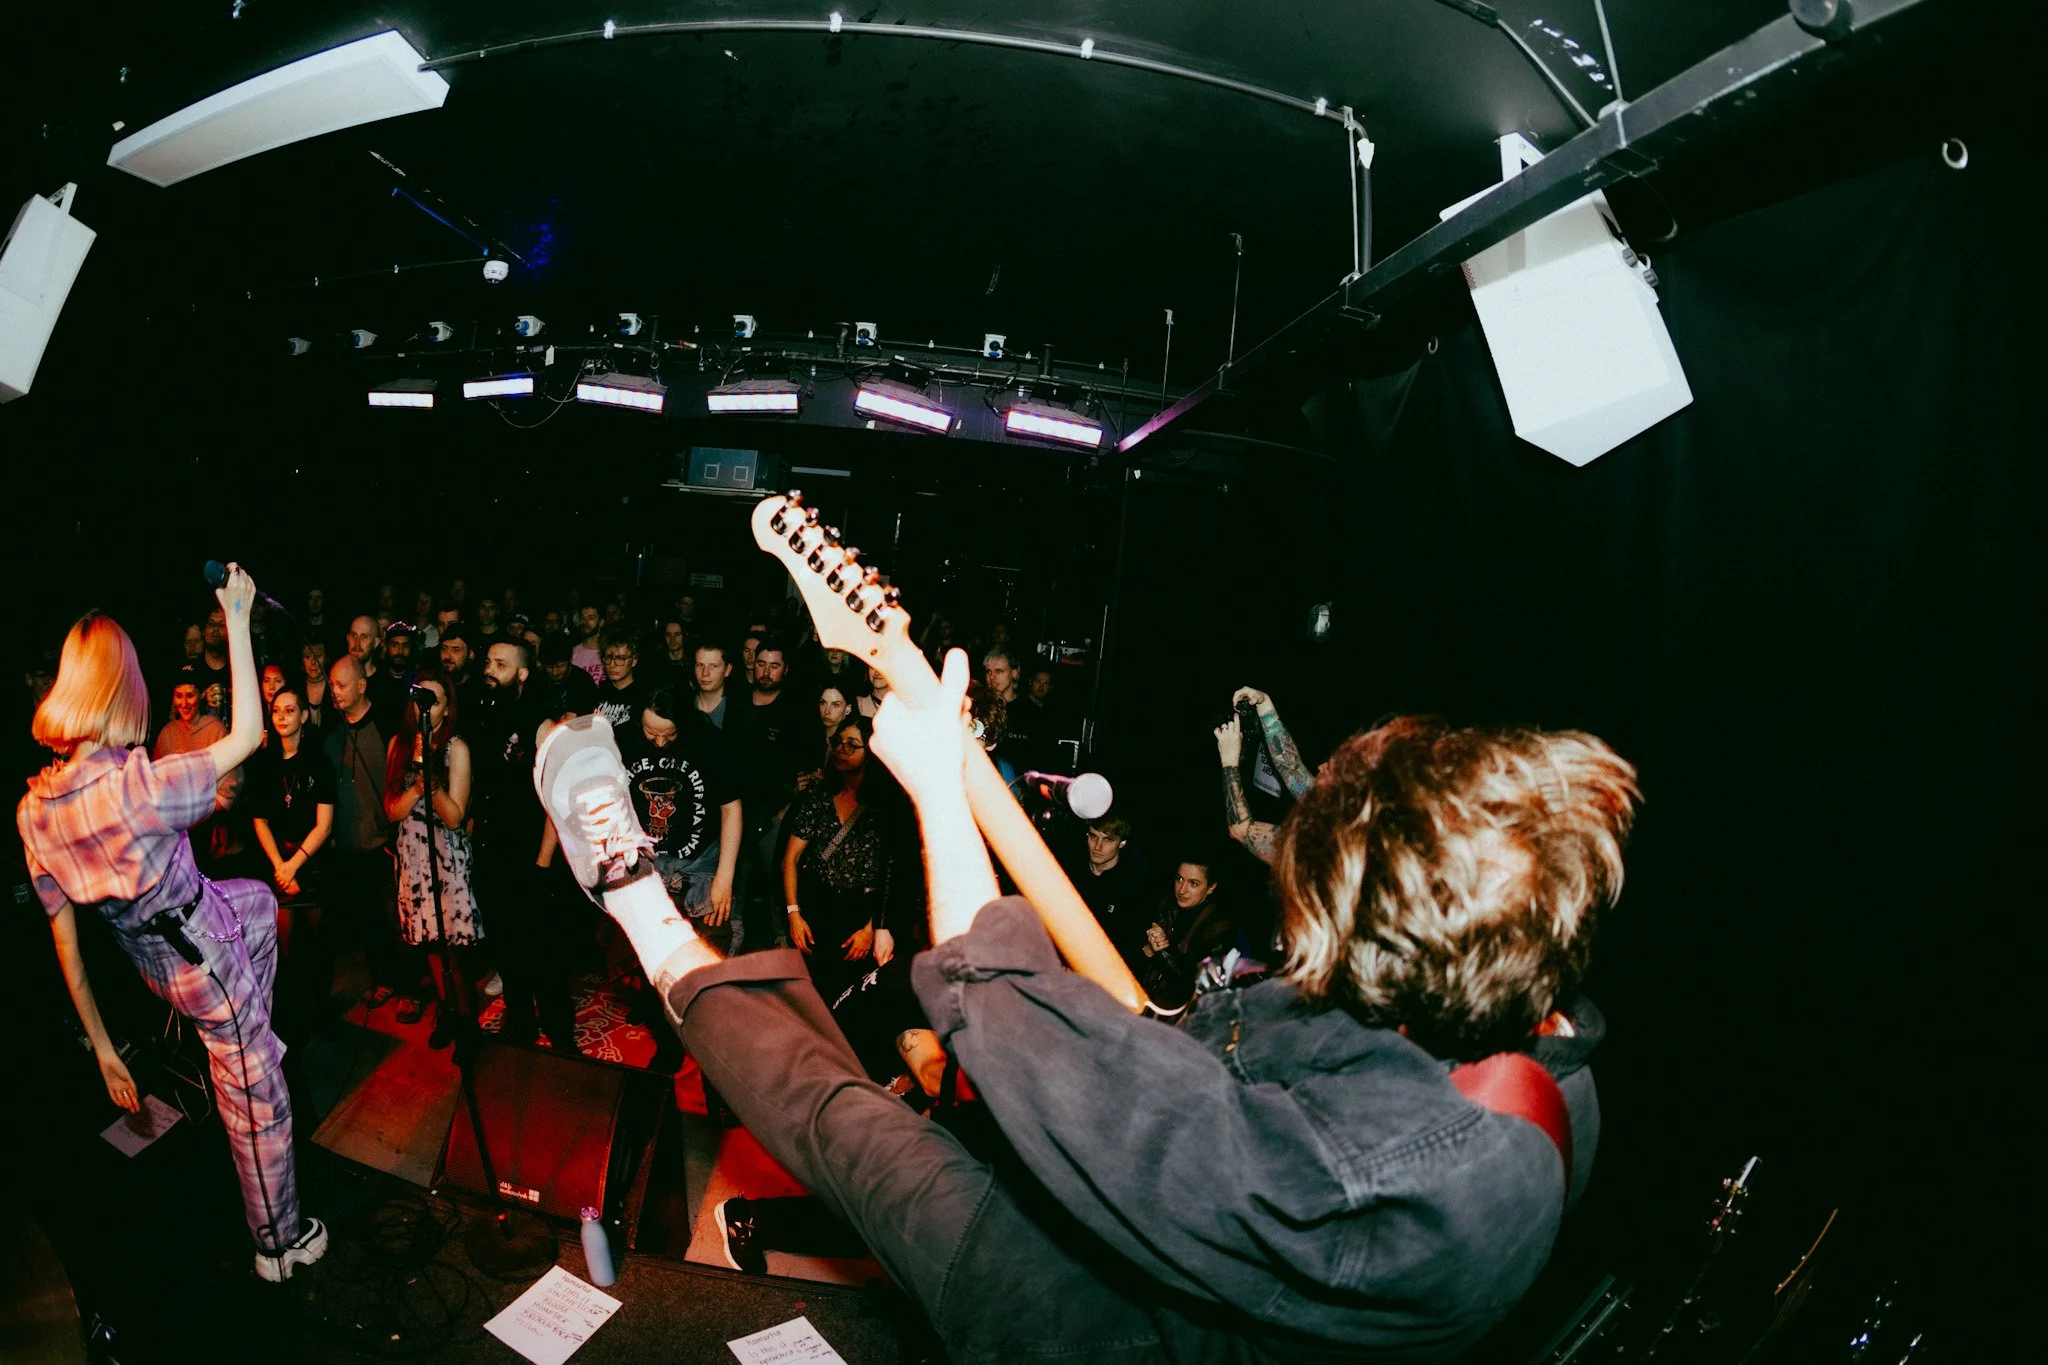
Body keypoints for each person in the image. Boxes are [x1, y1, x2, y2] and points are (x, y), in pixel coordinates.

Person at [534, 652, 1636, 1360]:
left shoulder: (1358, 1182)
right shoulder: (1530, 1013)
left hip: (1098, 1329)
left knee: (852, 1131)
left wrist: (933, 789)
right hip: (1201, 1209)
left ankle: (630, 893)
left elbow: (993, 989)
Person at [17, 576, 328, 1282]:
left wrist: (102, 1048)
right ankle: (277, 1244)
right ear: (123, 691)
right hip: (202, 956)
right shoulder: (139, 786)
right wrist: (238, 619)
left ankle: (241, 1057)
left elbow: (67, 944)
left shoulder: (35, 811)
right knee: (263, 1096)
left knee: (254, 902)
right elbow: (249, 735)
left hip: (155, 956)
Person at [472, 639, 577, 1051]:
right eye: (488, 661)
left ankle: (560, 1032)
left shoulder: (541, 722)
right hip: (490, 854)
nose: (490, 668)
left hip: (532, 857)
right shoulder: (482, 713)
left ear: (522, 673)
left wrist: (542, 863)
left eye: (501, 663)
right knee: (505, 946)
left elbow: (558, 800)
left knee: (543, 952)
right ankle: (520, 1023)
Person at [780, 715, 905, 1033]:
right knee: (809, 995)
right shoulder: (819, 796)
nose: (842, 750)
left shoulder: (885, 806)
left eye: (853, 745)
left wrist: (871, 928)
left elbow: (890, 872)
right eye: (839, 742)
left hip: (859, 914)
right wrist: (794, 914)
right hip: (815, 908)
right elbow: (790, 859)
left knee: (848, 1002)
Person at [383, 670, 477, 1049]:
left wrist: (431, 784)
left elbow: (455, 816)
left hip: (446, 854)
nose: (426, 707)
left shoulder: (457, 748)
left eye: (434, 700)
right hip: (413, 853)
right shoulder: (399, 744)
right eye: (421, 698)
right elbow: (391, 810)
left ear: (446, 708)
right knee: (431, 947)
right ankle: (449, 1011)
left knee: (451, 949)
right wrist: (417, 788)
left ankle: (467, 1024)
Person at [248, 687, 338, 1057]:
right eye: (276, 711)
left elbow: (325, 825)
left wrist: (294, 865)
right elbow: (260, 820)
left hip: (312, 865)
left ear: (304, 716)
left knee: (319, 949)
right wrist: (280, 868)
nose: (282, 717)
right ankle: (294, 1021)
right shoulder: (264, 764)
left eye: (290, 710)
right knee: (285, 952)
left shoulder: (319, 762)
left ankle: (322, 1013)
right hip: (280, 868)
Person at [322, 654, 403, 1008]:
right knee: (365, 918)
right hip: (346, 846)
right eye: (331, 685)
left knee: (392, 920)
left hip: (382, 844)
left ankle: (407, 986)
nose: (334, 692)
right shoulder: (331, 732)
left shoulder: (386, 727)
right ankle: (381, 977)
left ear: (361, 686)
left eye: (341, 685)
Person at [1214, 686, 1314, 863]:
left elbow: (1241, 829)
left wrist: (1229, 761)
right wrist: (1264, 704)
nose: (1321, 768)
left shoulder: (1318, 850)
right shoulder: (1345, 818)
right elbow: (1291, 767)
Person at [539, 633, 599, 716]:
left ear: (570, 660)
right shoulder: (537, 680)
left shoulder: (583, 681)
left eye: (560, 666)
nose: (554, 672)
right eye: (549, 667)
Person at [692, 641, 734, 728]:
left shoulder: (742, 713)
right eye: (700, 665)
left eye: (713, 666)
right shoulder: (680, 707)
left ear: (727, 670)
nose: (705, 673)